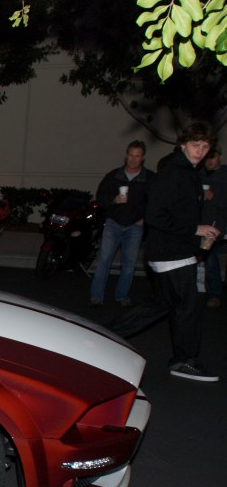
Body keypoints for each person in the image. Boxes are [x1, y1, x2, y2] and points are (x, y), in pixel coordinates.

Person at [110, 122, 221, 382]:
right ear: (183, 144)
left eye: (205, 146)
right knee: (188, 307)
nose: (200, 151)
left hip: (175, 251)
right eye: (195, 145)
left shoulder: (188, 171)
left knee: (160, 305)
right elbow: (155, 215)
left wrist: (201, 230)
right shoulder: (175, 173)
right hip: (171, 254)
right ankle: (183, 360)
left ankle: (102, 333)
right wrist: (195, 229)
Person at [89, 140, 156, 307]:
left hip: (134, 226)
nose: (133, 159)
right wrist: (114, 200)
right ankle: (96, 296)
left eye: (137, 156)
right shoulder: (114, 176)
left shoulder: (149, 178)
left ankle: (122, 296)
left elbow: (155, 202)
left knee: (129, 264)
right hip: (113, 223)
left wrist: (144, 220)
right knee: (104, 261)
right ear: (126, 156)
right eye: (131, 155)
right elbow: (101, 197)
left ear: (143, 158)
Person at [200, 147, 226, 307]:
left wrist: (213, 197)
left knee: (210, 259)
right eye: (207, 158)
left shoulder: (225, 176)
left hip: (215, 226)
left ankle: (215, 295)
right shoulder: (200, 174)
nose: (209, 161)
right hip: (198, 224)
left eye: (213, 157)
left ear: (220, 158)